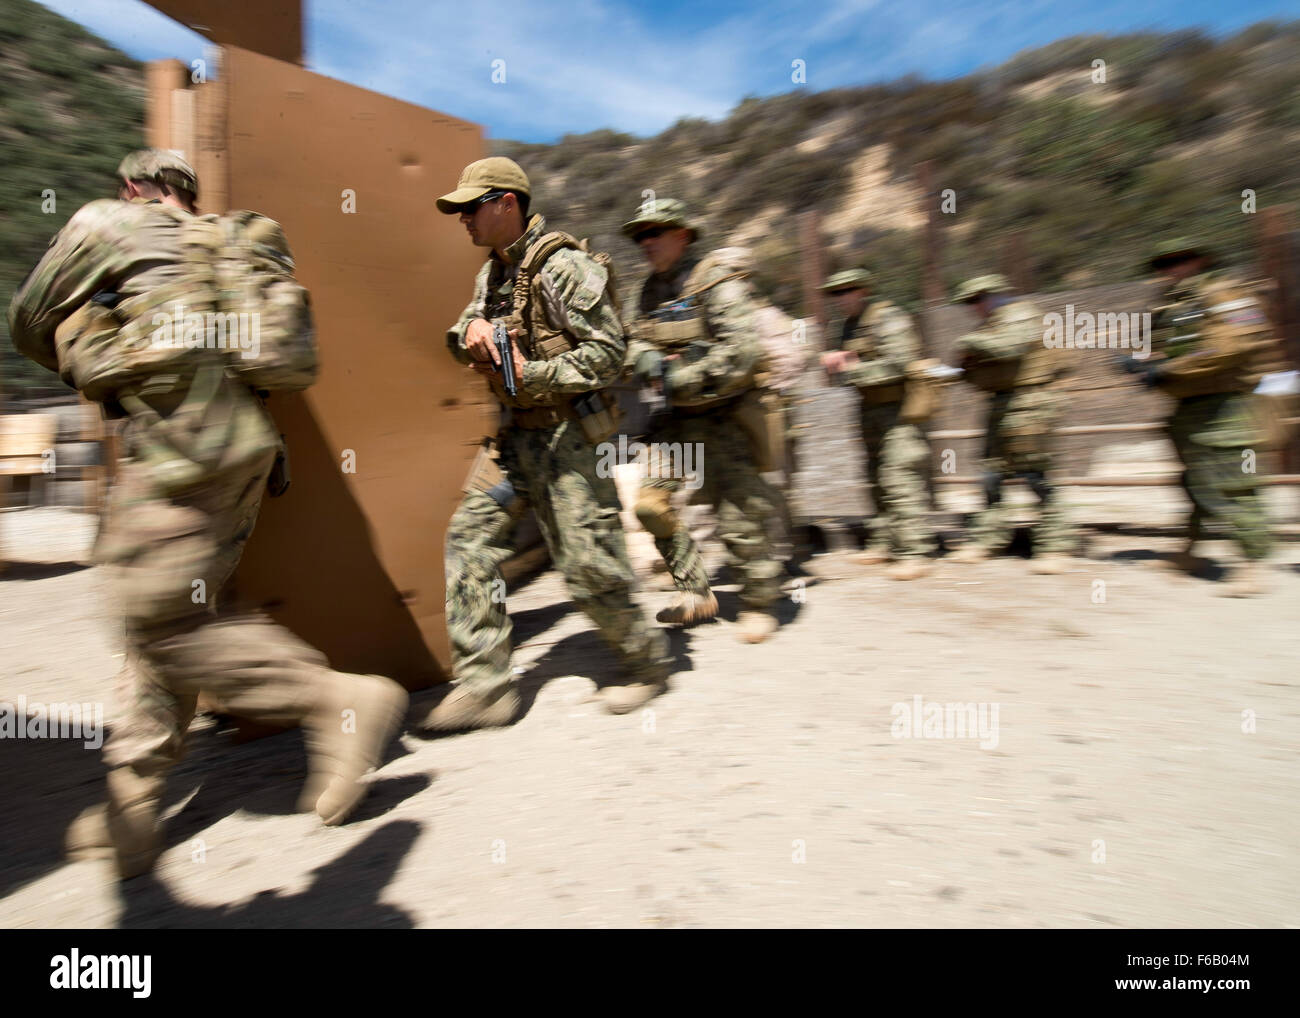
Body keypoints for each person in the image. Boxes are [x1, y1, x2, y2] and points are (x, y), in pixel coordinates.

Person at [8, 149, 408, 880]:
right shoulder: (234, 239)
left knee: (154, 610)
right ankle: (132, 807)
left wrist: (87, 353)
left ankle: (337, 700)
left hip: (176, 448)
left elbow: (28, 319)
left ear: (132, 187)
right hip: (248, 454)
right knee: (167, 622)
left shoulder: (109, 224)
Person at [424, 157, 671, 727]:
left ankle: (646, 661)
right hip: (512, 447)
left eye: (471, 206)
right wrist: (472, 332)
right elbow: (457, 334)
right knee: (468, 541)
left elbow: (609, 352)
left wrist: (534, 376)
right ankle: (487, 688)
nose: (462, 218)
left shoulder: (563, 267)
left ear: (507, 203)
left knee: (587, 566)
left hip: (568, 443)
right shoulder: (492, 276)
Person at [622, 198, 786, 643]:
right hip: (675, 420)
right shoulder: (647, 292)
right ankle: (695, 591)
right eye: (640, 236)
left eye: (655, 233)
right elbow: (632, 341)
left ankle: (758, 601)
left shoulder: (716, 281)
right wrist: (643, 358)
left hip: (725, 416)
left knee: (740, 518)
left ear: (683, 235)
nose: (646, 243)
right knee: (649, 507)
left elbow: (743, 352)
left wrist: (682, 374)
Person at [1122, 239, 1278, 596]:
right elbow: (1169, 349)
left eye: (1179, 261)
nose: (1170, 270)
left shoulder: (1228, 294)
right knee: (1195, 483)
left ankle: (1253, 566)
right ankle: (1190, 553)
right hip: (1189, 406)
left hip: (1226, 406)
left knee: (1236, 484)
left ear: (1201, 261)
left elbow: (1234, 344)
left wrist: (1166, 368)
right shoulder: (1172, 307)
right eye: (1163, 264)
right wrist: (1141, 363)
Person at [948, 274, 1075, 573]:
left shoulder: (1020, 314)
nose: (973, 307)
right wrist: (961, 368)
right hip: (1001, 404)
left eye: (977, 299)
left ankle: (1056, 546)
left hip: (1031, 402)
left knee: (1034, 475)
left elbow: (1010, 347)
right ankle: (988, 539)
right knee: (991, 475)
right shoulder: (989, 327)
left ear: (994, 295)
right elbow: (981, 370)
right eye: (969, 302)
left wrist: (967, 342)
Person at [819, 268, 937, 580]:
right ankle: (885, 540)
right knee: (875, 477)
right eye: (835, 293)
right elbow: (845, 372)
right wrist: (838, 368)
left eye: (847, 291)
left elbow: (900, 363)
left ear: (863, 291)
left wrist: (851, 368)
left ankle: (915, 551)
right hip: (869, 409)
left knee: (899, 477)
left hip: (900, 410)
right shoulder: (843, 327)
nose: (840, 299)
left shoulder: (889, 318)